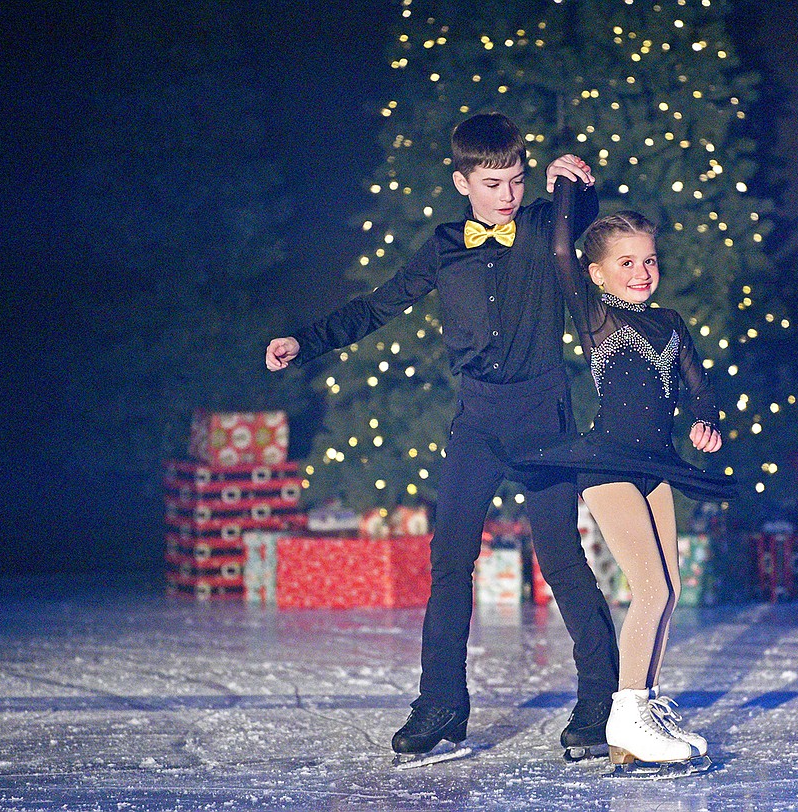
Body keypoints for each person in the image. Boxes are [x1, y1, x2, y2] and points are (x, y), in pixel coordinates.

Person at [265, 114, 620, 766]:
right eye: (493, 184)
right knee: (449, 560)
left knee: (561, 558)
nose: (507, 195)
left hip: (543, 419)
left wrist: (575, 180)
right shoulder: (443, 245)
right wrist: (305, 342)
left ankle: (600, 700)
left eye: (515, 180)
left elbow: (587, 234)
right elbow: (375, 305)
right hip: (477, 423)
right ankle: (441, 704)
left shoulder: (544, 228)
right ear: (462, 182)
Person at [518, 177, 736, 776]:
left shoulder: (670, 323)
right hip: (607, 464)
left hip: (657, 467)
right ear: (598, 273)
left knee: (667, 594)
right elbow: (561, 250)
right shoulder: (594, 315)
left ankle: (643, 713)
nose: (640, 272)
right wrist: (561, 186)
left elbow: (698, 389)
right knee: (654, 589)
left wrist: (705, 421)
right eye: (626, 262)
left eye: (649, 260)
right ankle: (626, 711)